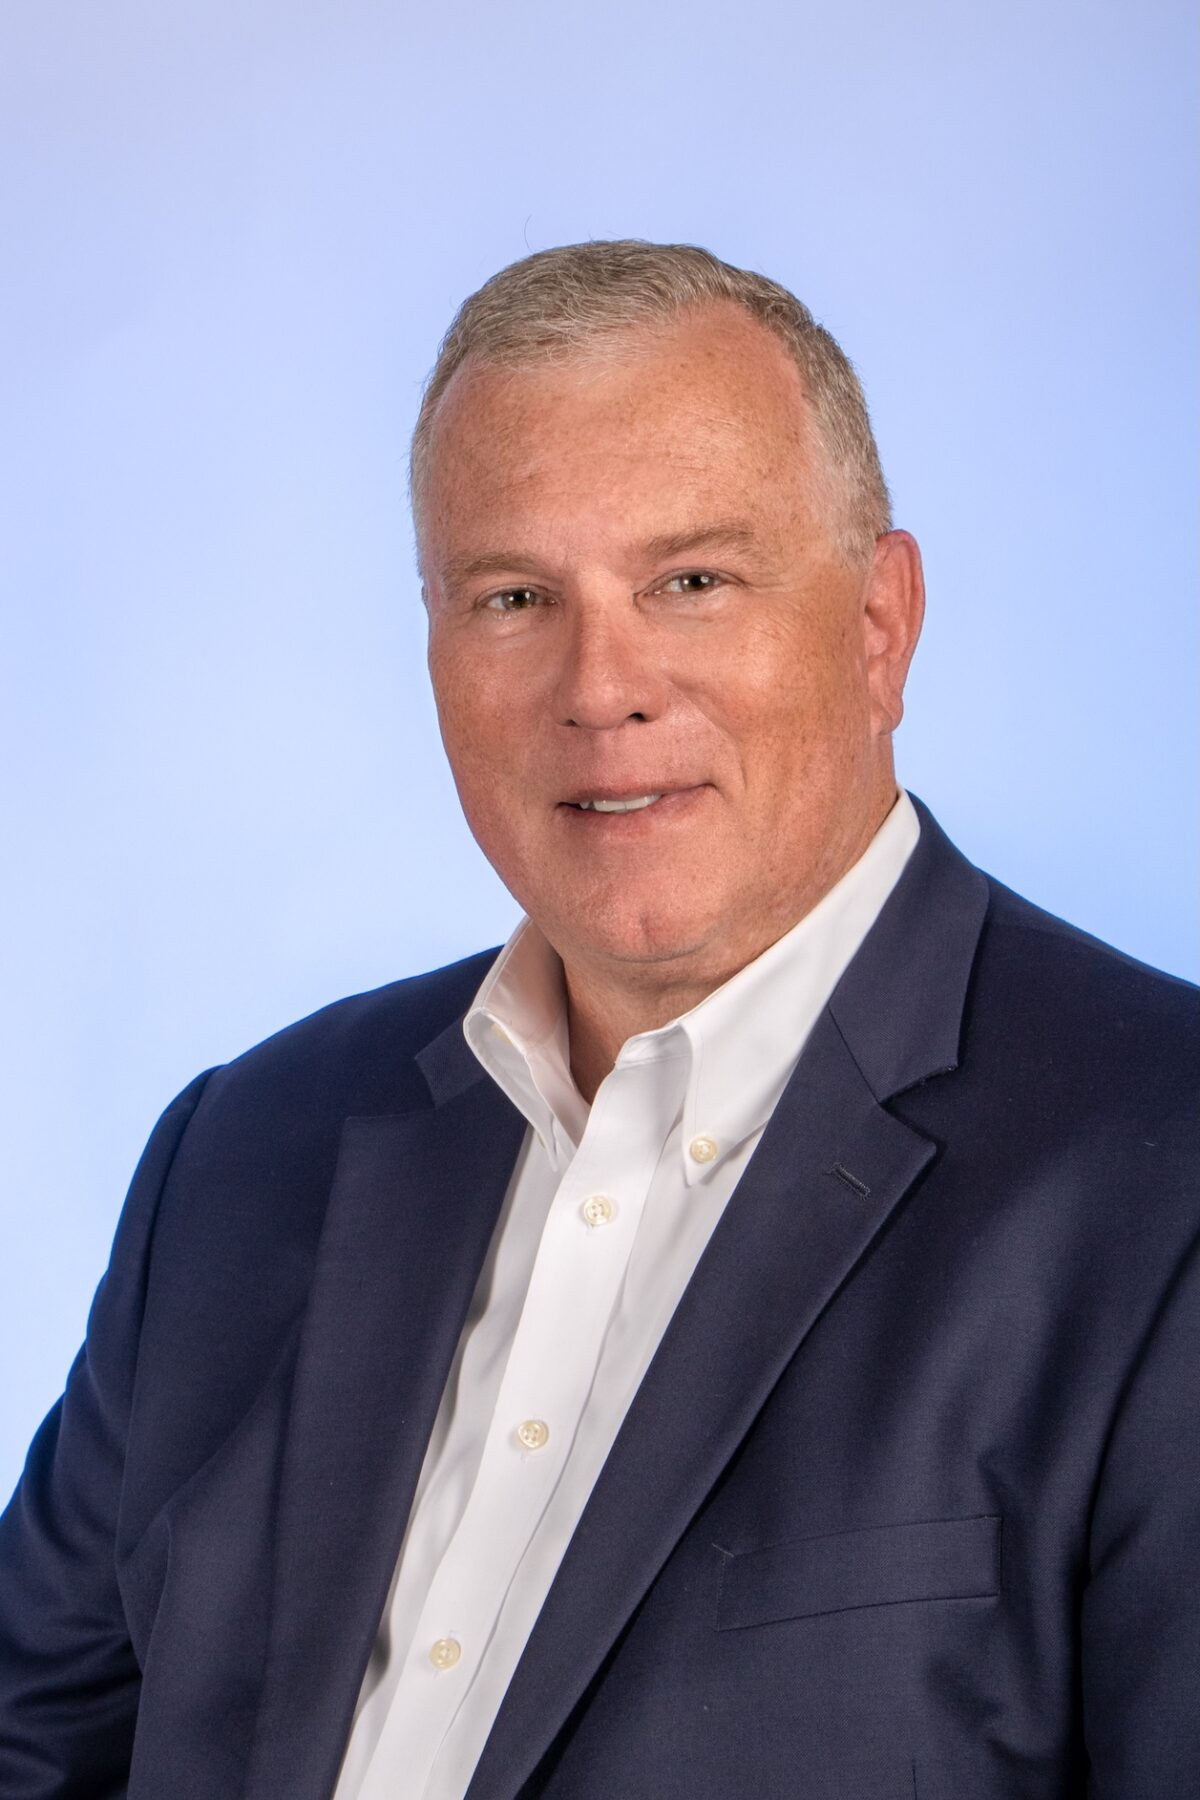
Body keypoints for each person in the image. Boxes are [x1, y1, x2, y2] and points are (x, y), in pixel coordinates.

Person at [0, 240, 1196, 1800]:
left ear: (879, 622)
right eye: (514, 598)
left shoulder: (1161, 1175)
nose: (601, 687)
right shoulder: (244, 1153)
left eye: (691, 581)